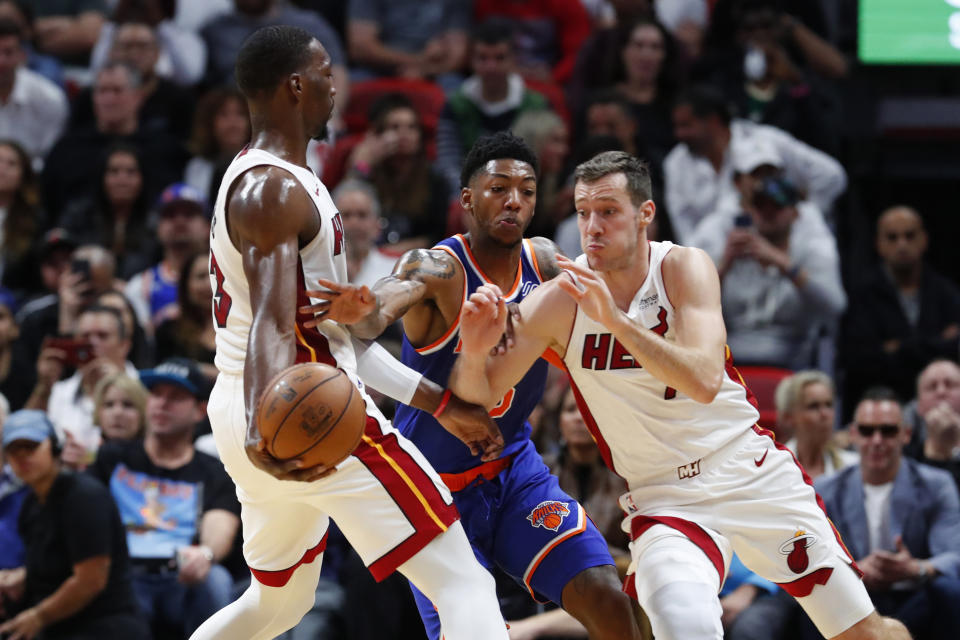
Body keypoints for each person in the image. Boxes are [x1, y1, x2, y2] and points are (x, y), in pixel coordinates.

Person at [445, 150, 908, 639]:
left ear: (644, 215)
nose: (593, 227)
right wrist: (474, 353)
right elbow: (476, 394)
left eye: (608, 211)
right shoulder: (561, 300)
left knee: (863, 633)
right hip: (664, 497)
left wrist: (616, 321)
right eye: (583, 213)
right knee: (683, 623)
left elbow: (704, 381)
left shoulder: (683, 268)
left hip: (745, 470)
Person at [192, 25, 509, 640]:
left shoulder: (266, 176)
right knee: (461, 580)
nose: (336, 87)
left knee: (276, 605)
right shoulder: (271, 188)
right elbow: (273, 325)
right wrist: (268, 430)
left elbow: (331, 334)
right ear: (294, 84)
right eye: (325, 73)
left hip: (261, 405)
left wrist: (437, 403)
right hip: (296, 406)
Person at [306, 131, 640, 640]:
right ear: (466, 199)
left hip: (513, 471)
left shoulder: (545, 260)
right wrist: (365, 308)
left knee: (607, 598)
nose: (514, 201)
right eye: (498, 188)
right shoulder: (436, 267)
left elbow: (601, 322)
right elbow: (376, 314)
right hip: (433, 489)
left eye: (527, 191)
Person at [89, 358, 240, 638]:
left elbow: (221, 525)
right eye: (156, 394)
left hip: (180, 578)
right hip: (124, 575)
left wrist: (205, 555)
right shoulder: (114, 458)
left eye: (175, 397)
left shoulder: (213, 471)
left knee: (216, 579)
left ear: (199, 411)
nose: (161, 404)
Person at [816, 388, 960, 640]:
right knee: (816, 599)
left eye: (888, 430)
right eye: (867, 431)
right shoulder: (826, 489)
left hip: (915, 596)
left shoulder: (936, 483)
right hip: (854, 597)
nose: (877, 440)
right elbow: (814, 556)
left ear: (906, 434)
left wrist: (917, 568)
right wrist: (855, 571)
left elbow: (954, 554)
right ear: (852, 435)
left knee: (948, 590)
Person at [0, 409, 149, 639]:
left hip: (104, 624)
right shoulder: (31, 504)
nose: (22, 456)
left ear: (55, 447)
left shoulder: (84, 497)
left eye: (30, 446)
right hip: (61, 624)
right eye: (13, 450)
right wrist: (22, 578)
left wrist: (38, 616)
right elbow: (55, 566)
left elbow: (91, 580)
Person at [664, 85, 846, 243]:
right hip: (721, 262)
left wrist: (798, 220)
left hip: (786, 253)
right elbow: (685, 230)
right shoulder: (675, 163)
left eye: (686, 126)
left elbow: (831, 176)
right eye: (676, 127)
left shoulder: (766, 141)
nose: (679, 134)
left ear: (713, 121)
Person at [841, 205, 960, 415]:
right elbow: (862, 362)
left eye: (909, 235)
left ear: (924, 240)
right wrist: (933, 343)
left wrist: (897, 348)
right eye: (892, 237)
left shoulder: (946, 292)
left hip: (941, 405)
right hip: (880, 405)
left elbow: (954, 351)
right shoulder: (863, 295)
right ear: (879, 244)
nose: (902, 244)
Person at [435, 18, 551, 193]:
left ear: (513, 60)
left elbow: (544, 162)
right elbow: (448, 163)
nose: (491, 67)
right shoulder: (456, 105)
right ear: (471, 61)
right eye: (482, 58)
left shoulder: (536, 104)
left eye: (499, 58)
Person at [125, 182, 210, 332]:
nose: (179, 221)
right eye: (170, 215)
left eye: (189, 214)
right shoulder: (140, 286)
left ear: (208, 226)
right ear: (158, 227)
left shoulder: (230, 279)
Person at [0, 18, 67, 168]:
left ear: (22, 55)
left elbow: (51, 158)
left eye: (8, 52)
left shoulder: (50, 99)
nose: (1, 61)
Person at [775, 370, 857, 480]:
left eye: (829, 405)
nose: (825, 414)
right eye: (813, 406)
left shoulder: (852, 467)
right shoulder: (774, 468)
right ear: (788, 417)